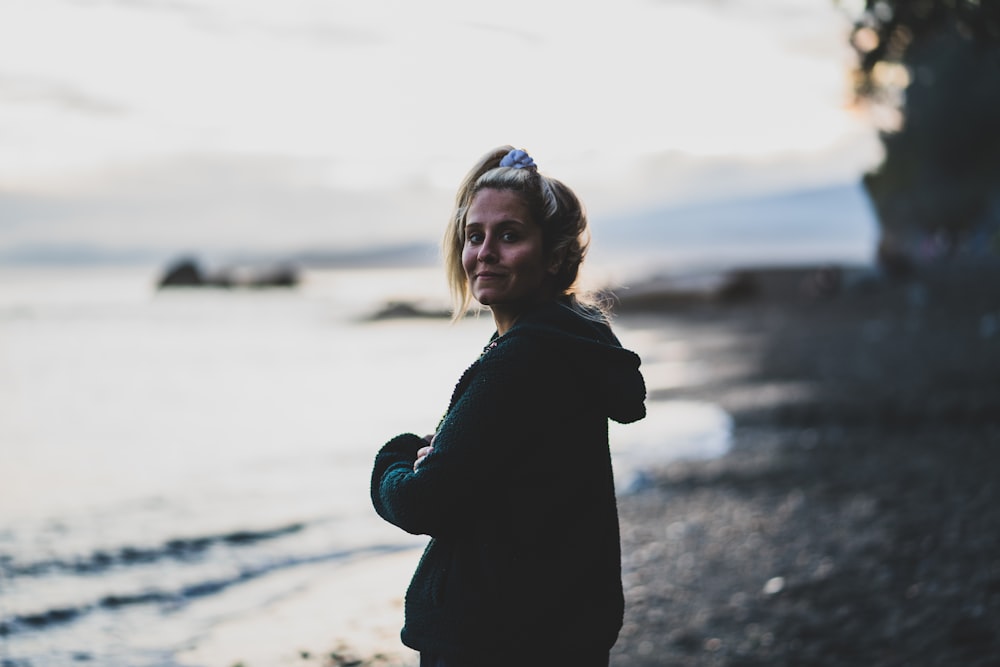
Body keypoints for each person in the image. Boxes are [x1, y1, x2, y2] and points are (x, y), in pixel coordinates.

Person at [370, 145, 647, 666]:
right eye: (475, 236)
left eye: (510, 235)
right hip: (558, 628)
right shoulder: (571, 344)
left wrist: (398, 457)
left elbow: (422, 501)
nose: (485, 252)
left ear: (554, 256)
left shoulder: (524, 360)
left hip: (496, 639)